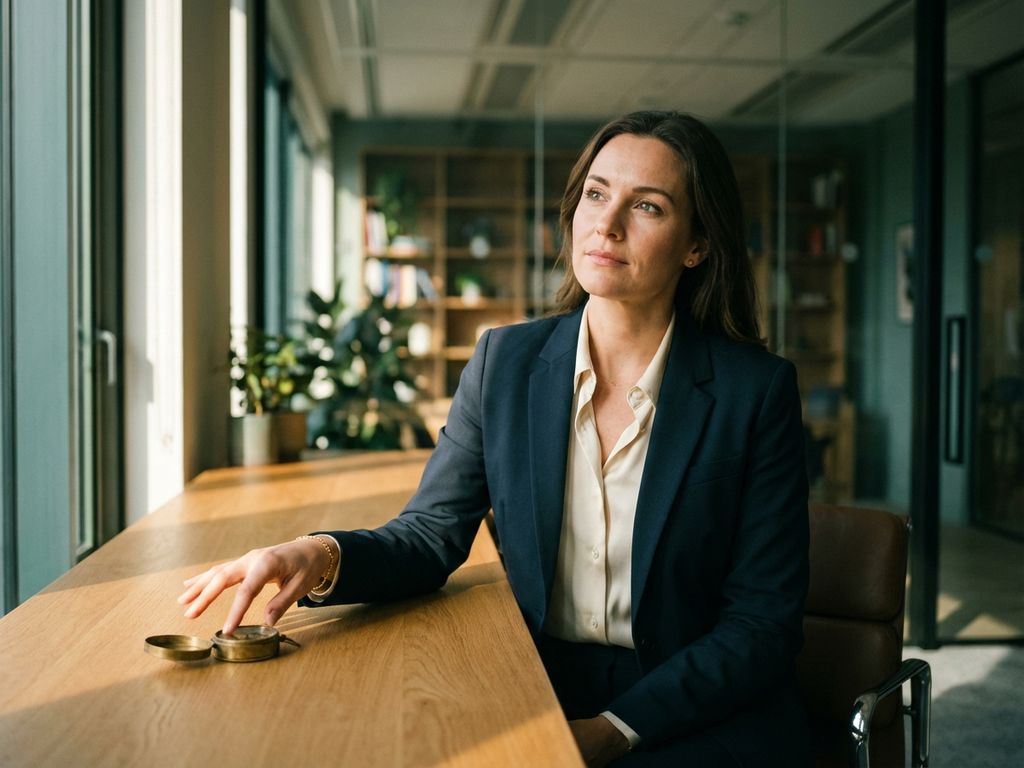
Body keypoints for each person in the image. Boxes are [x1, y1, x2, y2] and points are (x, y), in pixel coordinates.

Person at [179, 110, 810, 767]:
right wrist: (318, 554)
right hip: (536, 678)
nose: (607, 223)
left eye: (647, 206)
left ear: (696, 244)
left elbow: (761, 624)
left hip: (693, 703)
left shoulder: (754, 393)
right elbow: (431, 535)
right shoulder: (503, 363)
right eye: (596, 194)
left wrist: (612, 729)